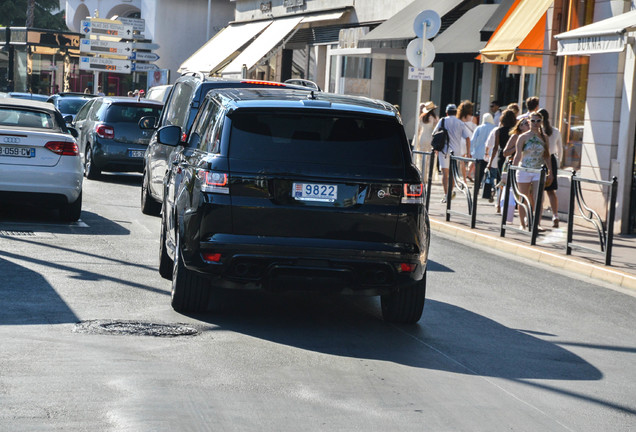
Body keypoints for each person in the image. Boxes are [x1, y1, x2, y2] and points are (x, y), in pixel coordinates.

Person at [513, 111, 553, 231]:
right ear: (529, 121)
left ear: (541, 122)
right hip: (524, 169)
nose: (535, 123)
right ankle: (522, 223)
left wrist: (550, 171)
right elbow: (518, 155)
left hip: (538, 170)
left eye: (538, 121)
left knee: (538, 198)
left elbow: (546, 155)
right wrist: (513, 170)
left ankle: (537, 223)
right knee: (523, 197)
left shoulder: (544, 137)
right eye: (533, 121)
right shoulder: (523, 137)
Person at [433, 103, 471, 202]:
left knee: (445, 173)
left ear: (446, 112)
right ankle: (450, 192)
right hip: (456, 151)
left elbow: (434, 133)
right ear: (456, 112)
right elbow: (467, 138)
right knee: (452, 173)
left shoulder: (442, 120)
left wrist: (436, 148)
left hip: (444, 150)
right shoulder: (460, 123)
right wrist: (468, 152)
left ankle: (446, 194)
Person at [487, 109, 517, 212]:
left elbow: (495, 148)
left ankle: (499, 204)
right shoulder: (516, 131)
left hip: (502, 158)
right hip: (514, 156)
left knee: (501, 181)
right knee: (513, 181)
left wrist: (490, 162)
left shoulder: (498, 131)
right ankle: (512, 203)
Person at [538, 108, 563, 227]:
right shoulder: (555, 131)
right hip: (551, 160)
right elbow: (560, 149)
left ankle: (536, 216)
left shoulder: (538, 131)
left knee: (538, 191)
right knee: (551, 191)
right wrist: (559, 162)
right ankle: (555, 215)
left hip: (539, 159)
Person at [470, 112, 496, 197]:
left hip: (478, 154)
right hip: (490, 154)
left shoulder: (479, 128)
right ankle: (488, 192)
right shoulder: (495, 128)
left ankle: (476, 190)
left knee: (479, 174)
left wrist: (471, 152)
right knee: (489, 174)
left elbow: (472, 140)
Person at [414, 101, 438, 175]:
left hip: (422, 137)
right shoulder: (435, 118)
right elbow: (436, 130)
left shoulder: (421, 117)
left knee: (421, 157)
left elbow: (418, 130)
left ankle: (422, 174)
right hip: (430, 138)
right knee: (429, 158)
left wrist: (416, 141)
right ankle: (428, 175)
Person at [456, 100, 475, 182]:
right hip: (469, 140)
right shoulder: (472, 118)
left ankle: (461, 178)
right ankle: (465, 178)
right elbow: (474, 130)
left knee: (461, 161)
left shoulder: (459, 118)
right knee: (466, 160)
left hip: (460, 140)